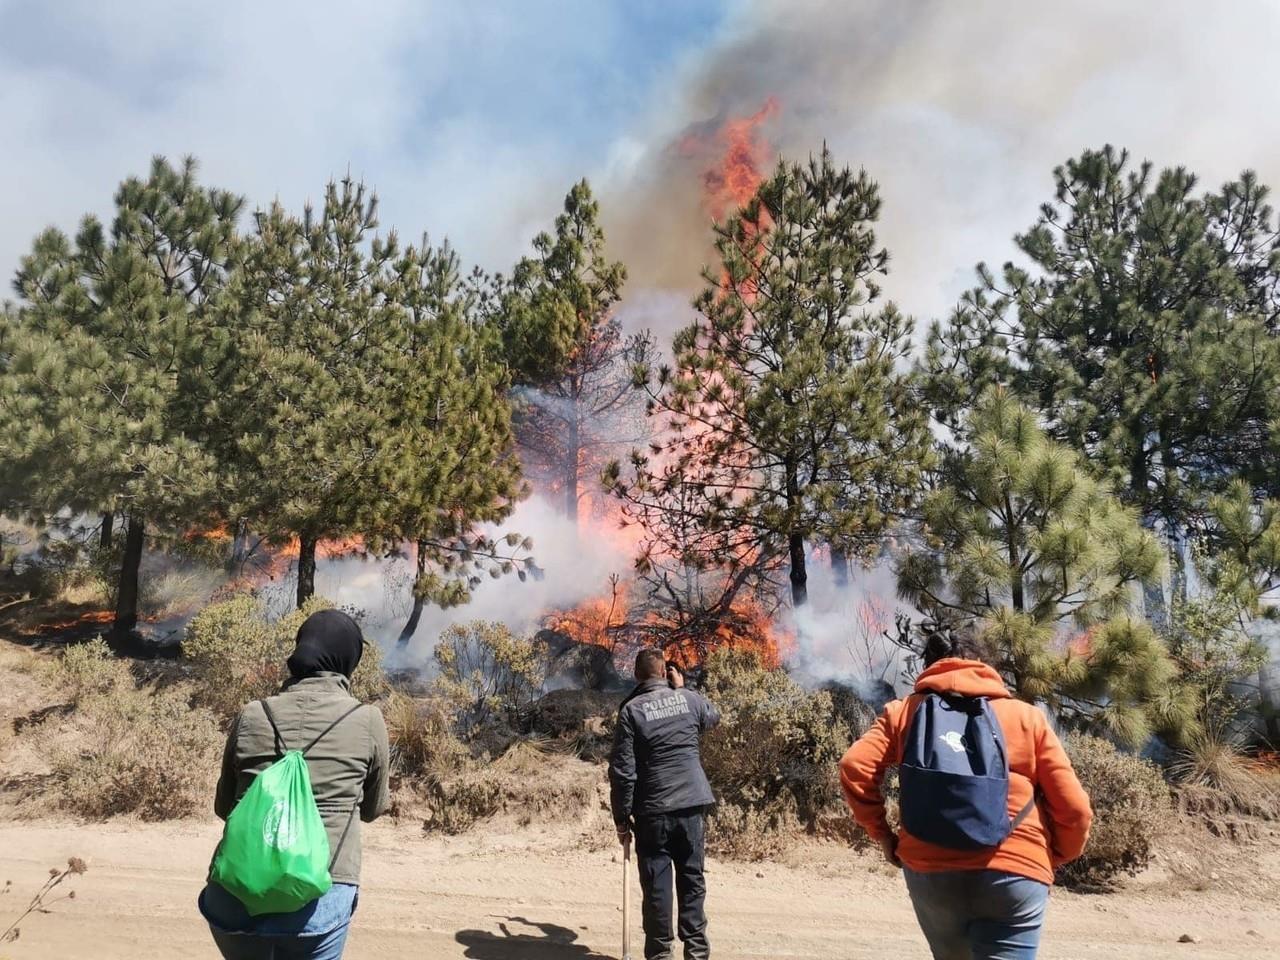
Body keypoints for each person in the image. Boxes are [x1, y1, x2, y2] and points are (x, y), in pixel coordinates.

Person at [840, 633, 1093, 960]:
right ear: (987, 667)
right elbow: (1076, 811)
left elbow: (853, 766)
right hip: (1015, 872)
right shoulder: (1026, 718)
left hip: (930, 871)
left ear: (931, 667)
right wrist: (1049, 857)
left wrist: (885, 837)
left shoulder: (904, 712)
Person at [199, 609, 391, 960]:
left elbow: (224, 807)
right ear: (348, 660)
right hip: (320, 898)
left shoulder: (253, 713)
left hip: (235, 896)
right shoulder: (367, 719)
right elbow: (373, 810)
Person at [609, 649, 721, 960]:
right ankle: (697, 951)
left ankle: (660, 954)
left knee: (657, 885)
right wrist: (682, 688)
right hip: (690, 805)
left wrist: (621, 817)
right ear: (665, 672)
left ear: (636, 676)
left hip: (652, 810)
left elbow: (623, 771)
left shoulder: (631, 711)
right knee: (692, 878)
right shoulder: (688, 699)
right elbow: (713, 717)